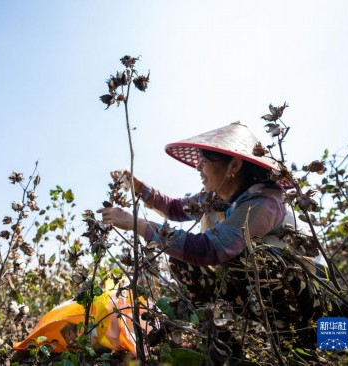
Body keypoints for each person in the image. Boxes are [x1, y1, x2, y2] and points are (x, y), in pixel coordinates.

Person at [98, 122, 327, 355]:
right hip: (258, 296)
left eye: (204, 161)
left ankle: (303, 344)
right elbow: (174, 208)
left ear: (234, 165)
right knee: (183, 260)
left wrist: (136, 224)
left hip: (309, 298)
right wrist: (136, 185)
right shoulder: (213, 199)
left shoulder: (264, 202)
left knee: (251, 260)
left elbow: (212, 249)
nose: (198, 167)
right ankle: (226, 347)